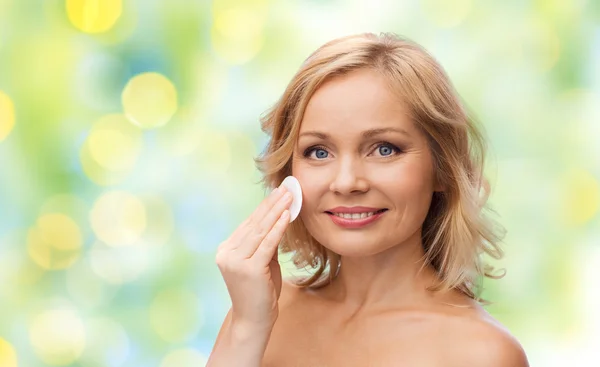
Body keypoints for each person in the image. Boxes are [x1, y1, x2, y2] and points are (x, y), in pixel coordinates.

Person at [207, 32, 529, 366]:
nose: (346, 182)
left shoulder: (482, 353)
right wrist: (247, 328)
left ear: (442, 168)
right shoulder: (259, 315)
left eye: (384, 149)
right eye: (318, 152)